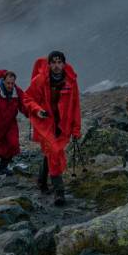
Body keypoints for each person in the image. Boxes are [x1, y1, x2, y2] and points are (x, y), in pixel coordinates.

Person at [23, 51, 81, 206]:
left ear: (64, 64)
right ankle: (59, 193)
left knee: (51, 153)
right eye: (53, 62)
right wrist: (37, 109)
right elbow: (27, 98)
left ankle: (42, 182)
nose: (56, 65)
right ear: (48, 64)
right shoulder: (40, 80)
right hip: (45, 124)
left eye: (59, 62)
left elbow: (75, 105)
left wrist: (76, 128)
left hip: (63, 125)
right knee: (55, 153)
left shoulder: (70, 81)